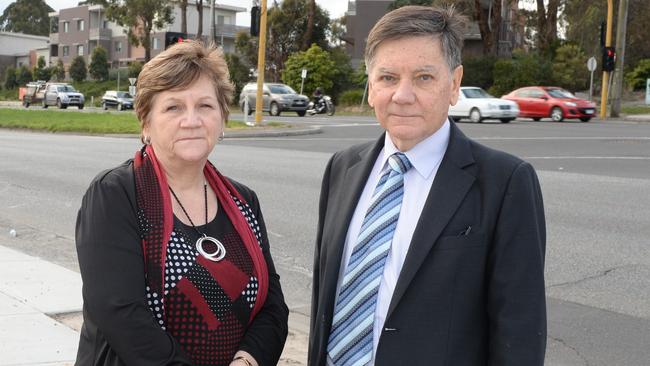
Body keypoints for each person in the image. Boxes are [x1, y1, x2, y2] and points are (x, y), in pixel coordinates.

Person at [309, 5, 546, 366]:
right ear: (370, 86)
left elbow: (520, 334)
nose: (403, 95)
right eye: (388, 77)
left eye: (423, 77)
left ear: (453, 84)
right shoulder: (342, 168)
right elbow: (325, 304)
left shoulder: (505, 183)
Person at [75, 40, 288, 366]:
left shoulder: (244, 202)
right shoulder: (115, 195)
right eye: (173, 107)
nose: (192, 120)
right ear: (146, 122)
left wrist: (248, 360)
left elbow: (272, 305)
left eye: (205, 105)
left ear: (221, 117)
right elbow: (121, 314)